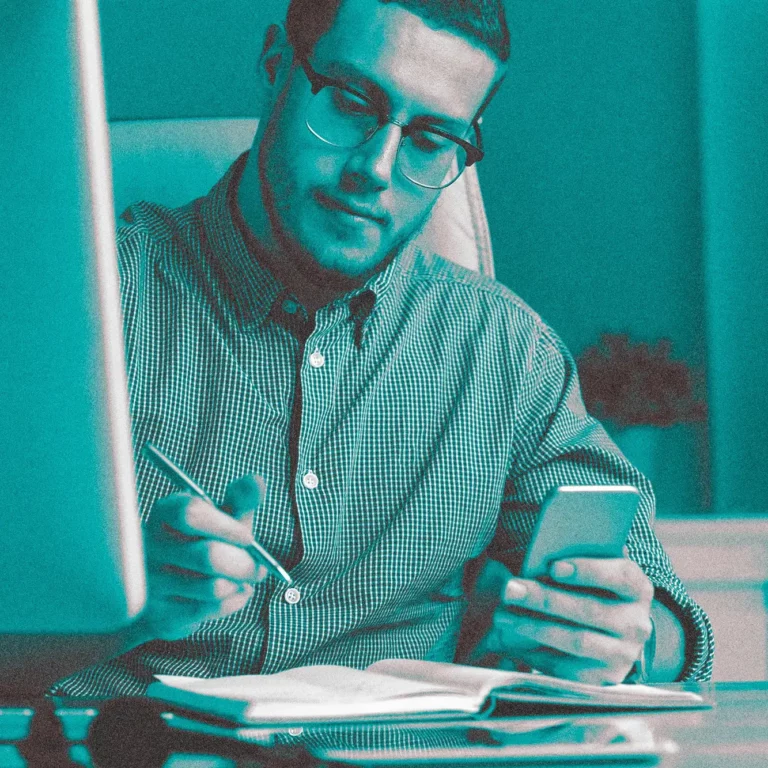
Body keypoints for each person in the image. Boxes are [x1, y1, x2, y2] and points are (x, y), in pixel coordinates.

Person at [55, 0, 713, 697]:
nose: (375, 167)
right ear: (278, 66)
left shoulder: (505, 355)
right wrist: (111, 610)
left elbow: (670, 629)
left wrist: (627, 638)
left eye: (431, 139)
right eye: (349, 103)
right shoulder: (73, 314)